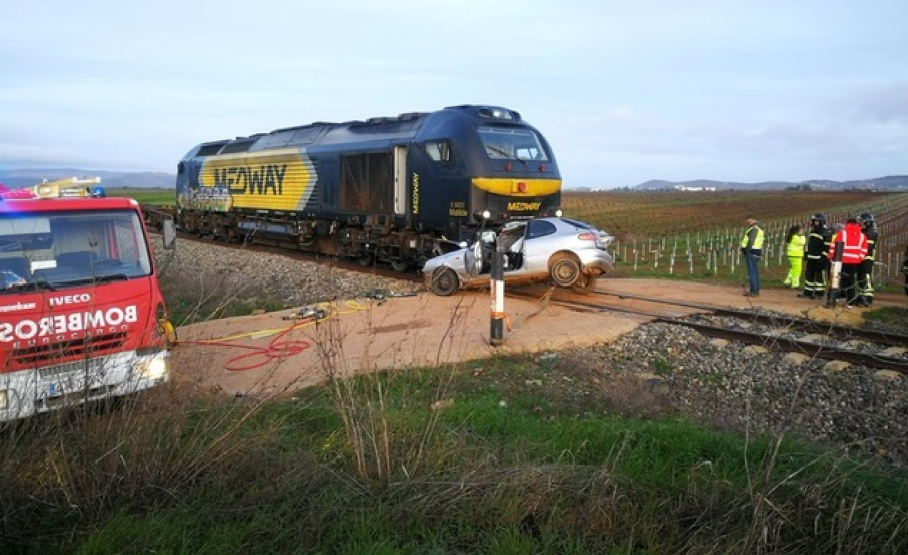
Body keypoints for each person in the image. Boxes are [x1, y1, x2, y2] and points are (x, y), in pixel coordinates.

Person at [825, 218, 868, 308]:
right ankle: (850, 302)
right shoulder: (862, 236)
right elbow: (864, 250)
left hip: (840, 261)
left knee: (836, 279)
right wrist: (859, 258)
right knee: (850, 281)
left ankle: (832, 300)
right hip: (854, 262)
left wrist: (831, 257)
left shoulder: (842, 233)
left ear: (847, 224)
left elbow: (834, 246)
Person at [800, 213, 832, 299]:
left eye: (816, 221)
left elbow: (827, 247)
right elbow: (809, 244)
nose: (814, 223)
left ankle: (819, 293)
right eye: (813, 221)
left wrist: (823, 257)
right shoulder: (813, 232)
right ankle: (808, 292)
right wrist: (806, 253)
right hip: (811, 257)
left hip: (820, 258)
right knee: (809, 275)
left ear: (821, 222)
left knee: (819, 275)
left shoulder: (826, 232)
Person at [855, 212, 879, 306]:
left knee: (865, 275)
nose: (859, 223)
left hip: (867, 257)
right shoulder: (865, 232)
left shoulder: (870, 233)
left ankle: (867, 297)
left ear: (867, 222)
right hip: (862, 257)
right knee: (860, 276)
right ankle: (861, 295)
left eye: (861, 221)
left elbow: (867, 247)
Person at [740, 215, 764, 297]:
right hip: (757, 251)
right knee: (755, 271)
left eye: (747, 220)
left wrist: (746, 250)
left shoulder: (754, 229)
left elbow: (751, 240)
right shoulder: (759, 229)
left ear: (752, 219)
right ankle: (755, 289)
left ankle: (754, 291)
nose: (747, 222)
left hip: (751, 251)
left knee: (752, 272)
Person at [782, 224, 806, 289]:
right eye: (801, 231)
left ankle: (787, 281)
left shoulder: (792, 236)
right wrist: (803, 236)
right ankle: (795, 284)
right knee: (797, 270)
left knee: (794, 269)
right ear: (796, 231)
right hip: (795, 255)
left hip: (793, 255)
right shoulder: (795, 237)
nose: (802, 232)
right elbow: (802, 242)